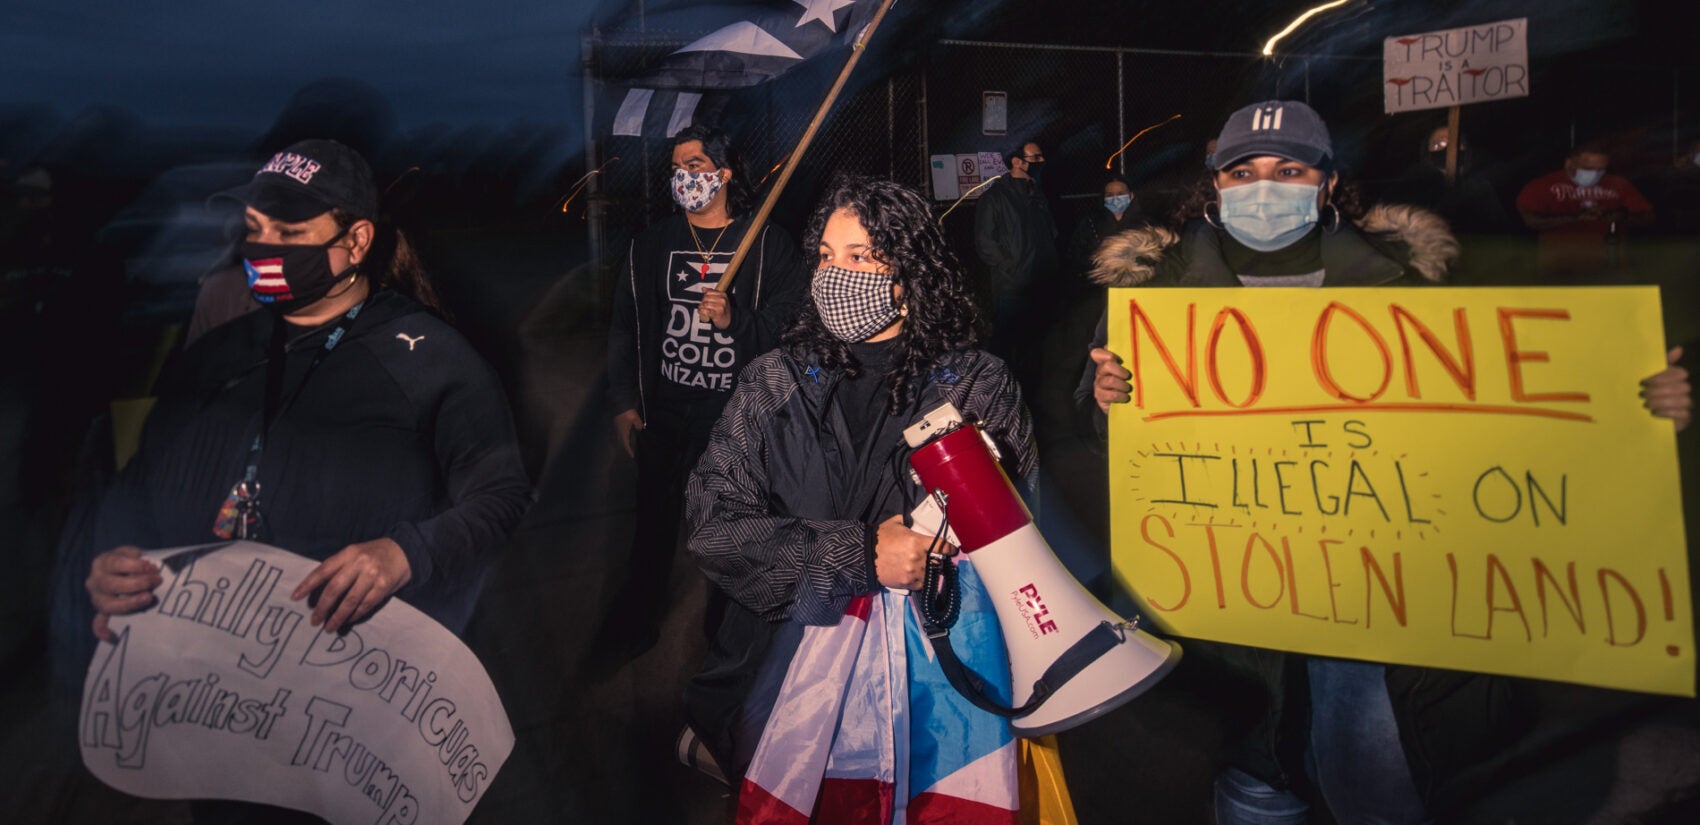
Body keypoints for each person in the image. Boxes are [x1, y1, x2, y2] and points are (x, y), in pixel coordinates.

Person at [1076, 100, 1693, 825]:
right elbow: (1116, 437)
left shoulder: (1403, 284)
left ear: (1328, 182)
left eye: (1290, 169)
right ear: (1215, 185)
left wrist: (1633, 406)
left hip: (1373, 610)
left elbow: (1496, 416)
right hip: (1234, 610)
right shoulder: (1158, 290)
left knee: (1376, 786)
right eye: (1243, 171)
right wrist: (1109, 400)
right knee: (1257, 784)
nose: (1264, 186)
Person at [81, 138, 532, 823]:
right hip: (221, 694)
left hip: (356, 696)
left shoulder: (432, 359)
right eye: (256, 231)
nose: (264, 250)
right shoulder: (213, 357)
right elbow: (142, 482)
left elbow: (500, 496)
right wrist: (114, 557)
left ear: (355, 241)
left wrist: (407, 551)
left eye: (290, 233)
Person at [682, 176, 1038, 813]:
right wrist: (856, 555)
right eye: (825, 255)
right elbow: (713, 525)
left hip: (935, 693)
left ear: (908, 270)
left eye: (859, 256)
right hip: (781, 676)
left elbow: (1018, 544)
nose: (834, 273)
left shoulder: (976, 385)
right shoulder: (774, 381)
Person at [603, 124, 806, 657]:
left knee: (729, 527)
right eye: (676, 169)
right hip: (665, 410)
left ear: (723, 173)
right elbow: (625, 326)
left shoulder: (766, 243)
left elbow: (789, 330)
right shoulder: (652, 245)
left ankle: (724, 635)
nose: (683, 178)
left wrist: (736, 321)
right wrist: (624, 402)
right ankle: (637, 622)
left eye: (694, 166)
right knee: (653, 521)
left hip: (732, 414)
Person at [973, 138, 1058, 361]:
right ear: (1017, 162)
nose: (1042, 161)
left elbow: (1050, 232)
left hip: (1043, 278)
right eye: (1035, 157)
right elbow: (986, 242)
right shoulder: (995, 197)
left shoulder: (1036, 193)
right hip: (1014, 283)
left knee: (1038, 340)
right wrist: (1012, 268)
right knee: (1006, 340)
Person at [1516, 145, 1655, 282]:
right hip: (1558, 269)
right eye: (1588, 169)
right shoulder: (1542, 186)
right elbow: (1530, 221)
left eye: (1601, 169)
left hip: (1610, 268)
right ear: (1569, 163)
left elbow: (1648, 217)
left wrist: (1620, 217)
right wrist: (1576, 217)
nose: (1595, 174)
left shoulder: (1619, 185)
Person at [1067, 173, 1149, 274]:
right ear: (1104, 198)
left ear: (1131, 196)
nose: (1115, 198)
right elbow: (1077, 253)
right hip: (1100, 277)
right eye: (1110, 195)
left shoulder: (1145, 222)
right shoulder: (1091, 222)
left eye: (1120, 194)